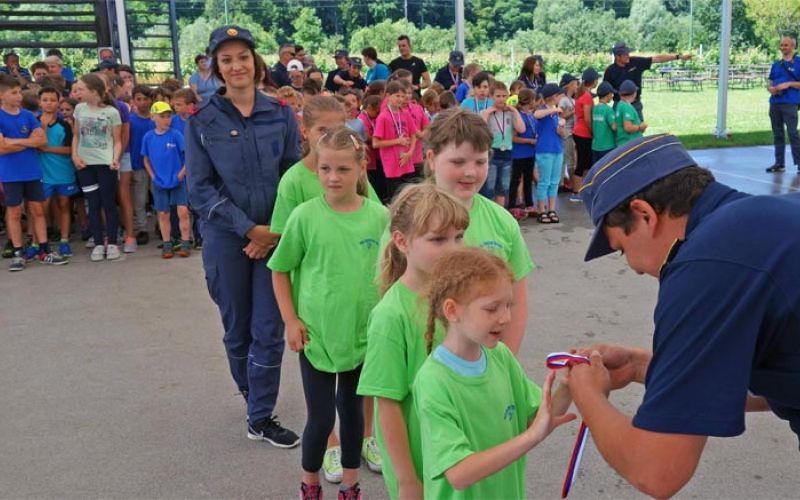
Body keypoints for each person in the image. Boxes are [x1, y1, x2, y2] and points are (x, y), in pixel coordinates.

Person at [569, 133, 800, 497]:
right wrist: (641, 365)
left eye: (621, 248)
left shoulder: (704, 265)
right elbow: (784, 378)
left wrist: (588, 396)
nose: (632, 266)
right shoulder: (766, 224)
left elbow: (657, 471)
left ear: (644, 214)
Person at [186, 25, 301, 448]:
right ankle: (253, 394)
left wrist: (272, 231)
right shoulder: (202, 120)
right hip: (226, 239)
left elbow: (294, 176)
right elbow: (199, 188)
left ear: (256, 62)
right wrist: (247, 229)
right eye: (226, 59)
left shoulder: (281, 113)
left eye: (243, 56)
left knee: (268, 328)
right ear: (216, 67)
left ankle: (261, 415)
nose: (236, 66)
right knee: (237, 329)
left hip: (275, 235)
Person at [268, 126, 389, 500]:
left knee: (353, 415)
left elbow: (393, 274)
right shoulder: (304, 216)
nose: (333, 177)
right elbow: (280, 269)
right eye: (325, 169)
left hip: (363, 336)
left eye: (342, 169)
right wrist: (291, 319)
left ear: (360, 168)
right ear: (315, 168)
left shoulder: (379, 217)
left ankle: (351, 484)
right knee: (320, 419)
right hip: (316, 335)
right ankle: (311, 484)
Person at [414, 246, 574, 498]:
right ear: (451, 310)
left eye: (508, 305)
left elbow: (538, 420)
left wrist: (570, 383)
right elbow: (458, 473)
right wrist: (531, 437)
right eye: (492, 309)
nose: (506, 318)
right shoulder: (434, 380)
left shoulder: (500, 356)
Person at [357, 183, 469, 500]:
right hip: (424, 464)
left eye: (458, 237)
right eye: (438, 239)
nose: (453, 248)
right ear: (402, 242)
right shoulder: (391, 315)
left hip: (462, 452)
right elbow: (387, 405)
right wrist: (407, 480)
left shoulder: (461, 296)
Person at [425, 107, 533, 354]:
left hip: (482, 364)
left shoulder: (503, 222)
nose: (470, 172)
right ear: (431, 159)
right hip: (423, 363)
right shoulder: (408, 221)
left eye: (480, 162)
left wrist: (506, 363)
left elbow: (516, 303)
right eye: (458, 162)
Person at [0, 74, 66, 270]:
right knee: (13, 212)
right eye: (14, 92)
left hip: (32, 172)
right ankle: (18, 253)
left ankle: (44, 250)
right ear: (2, 95)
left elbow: (41, 141)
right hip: (11, 173)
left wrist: (14, 141)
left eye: (20, 92)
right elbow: (1, 148)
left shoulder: (28, 115)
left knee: (37, 210)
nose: (19, 96)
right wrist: (28, 142)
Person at [71, 73, 123, 262]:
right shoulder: (79, 109)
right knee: (92, 204)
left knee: (108, 203)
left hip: (105, 164)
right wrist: (75, 156)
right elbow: (76, 136)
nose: (78, 92)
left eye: (81, 89)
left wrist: (115, 158)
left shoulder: (111, 112)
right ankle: (99, 243)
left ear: (93, 91)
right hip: (85, 164)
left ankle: (113, 243)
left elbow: (117, 140)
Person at [141, 101, 190, 258]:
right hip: (160, 182)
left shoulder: (176, 135)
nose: (166, 119)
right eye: (162, 116)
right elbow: (146, 159)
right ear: (153, 117)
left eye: (168, 116)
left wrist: (182, 173)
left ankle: (185, 242)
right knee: (163, 213)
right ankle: (167, 243)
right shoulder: (148, 137)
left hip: (177, 180)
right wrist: (153, 176)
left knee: (183, 211)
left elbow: (188, 156)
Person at [603, 41, 691, 120]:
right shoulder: (610, 71)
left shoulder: (636, 62)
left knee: (638, 130)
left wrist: (678, 57)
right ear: (617, 57)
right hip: (619, 105)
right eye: (625, 54)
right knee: (620, 131)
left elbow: (657, 59)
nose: (628, 56)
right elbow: (605, 91)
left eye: (628, 53)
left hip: (635, 104)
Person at [37, 86, 77, 257]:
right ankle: (38, 242)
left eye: (52, 100)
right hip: (43, 175)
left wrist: (48, 149)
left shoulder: (64, 124)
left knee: (64, 206)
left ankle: (64, 240)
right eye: (45, 100)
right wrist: (43, 128)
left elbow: (69, 149)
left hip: (63, 172)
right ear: (39, 102)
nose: (49, 103)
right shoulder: (34, 123)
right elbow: (37, 145)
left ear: (58, 102)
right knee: (40, 209)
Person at [479, 81, 525, 207]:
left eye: (504, 96)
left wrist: (515, 111)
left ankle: (500, 213)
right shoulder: (485, 112)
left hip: (507, 154)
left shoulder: (510, 112)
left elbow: (521, 129)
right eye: (498, 96)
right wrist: (488, 113)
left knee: (503, 188)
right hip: (492, 153)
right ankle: (487, 213)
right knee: (489, 188)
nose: (501, 99)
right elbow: (480, 129)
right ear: (491, 96)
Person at [373, 81, 417, 199]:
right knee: (395, 197)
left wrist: (410, 153)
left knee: (408, 195)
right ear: (388, 96)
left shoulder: (405, 113)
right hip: (392, 164)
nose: (400, 99)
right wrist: (397, 141)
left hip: (406, 160)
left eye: (402, 96)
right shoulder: (383, 117)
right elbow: (375, 143)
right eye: (397, 95)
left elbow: (413, 135)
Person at [766, 35, 800, 173]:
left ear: (793, 46)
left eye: (786, 45)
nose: (783, 47)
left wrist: (789, 84)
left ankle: (799, 163)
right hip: (775, 103)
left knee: (792, 133)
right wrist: (771, 89)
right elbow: (770, 81)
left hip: (790, 103)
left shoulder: (798, 63)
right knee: (777, 134)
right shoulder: (776, 64)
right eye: (782, 45)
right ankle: (779, 163)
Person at [533, 83, 566, 224]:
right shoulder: (544, 111)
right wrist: (552, 111)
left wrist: (561, 128)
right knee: (544, 181)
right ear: (554, 97)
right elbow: (537, 114)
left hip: (557, 149)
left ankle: (552, 209)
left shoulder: (555, 113)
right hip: (545, 150)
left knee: (554, 182)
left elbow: (561, 134)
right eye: (560, 96)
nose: (561, 98)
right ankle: (542, 209)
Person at [129, 85, 155, 245]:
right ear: (133, 101)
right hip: (137, 164)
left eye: (146, 99)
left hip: (157, 165)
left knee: (159, 196)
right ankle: (142, 228)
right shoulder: (131, 120)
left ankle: (161, 224)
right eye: (139, 99)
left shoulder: (156, 118)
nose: (143, 102)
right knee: (139, 199)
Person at [509, 88, 538, 218]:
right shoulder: (518, 115)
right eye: (534, 99)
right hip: (519, 153)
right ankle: (512, 204)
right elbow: (513, 137)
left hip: (530, 153)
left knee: (528, 179)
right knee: (516, 179)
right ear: (530, 101)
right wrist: (529, 141)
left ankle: (529, 203)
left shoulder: (530, 115)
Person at [571, 67, 599, 198]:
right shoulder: (587, 97)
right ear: (594, 81)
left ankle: (584, 189)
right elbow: (588, 118)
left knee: (585, 162)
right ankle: (577, 191)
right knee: (582, 163)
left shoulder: (580, 94)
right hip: (584, 133)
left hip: (578, 130)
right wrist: (593, 132)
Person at [558, 73, 578, 197]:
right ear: (570, 85)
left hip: (571, 131)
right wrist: (573, 112)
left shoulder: (572, 100)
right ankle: (571, 183)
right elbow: (560, 115)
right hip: (566, 132)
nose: (577, 86)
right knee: (569, 158)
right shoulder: (563, 100)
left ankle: (563, 182)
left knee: (567, 158)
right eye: (575, 84)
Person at [591, 81, 618, 162]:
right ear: (608, 94)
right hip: (607, 146)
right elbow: (614, 127)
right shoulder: (608, 110)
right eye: (611, 94)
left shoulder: (595, 108)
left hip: (595, 146)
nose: (612, 96)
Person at [615, 80, 647, 146]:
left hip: (623, 143)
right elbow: (628, 128)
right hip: (630, 144)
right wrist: (640, 127)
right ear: (634, 93)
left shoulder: (619, 105)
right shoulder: (627, 107)